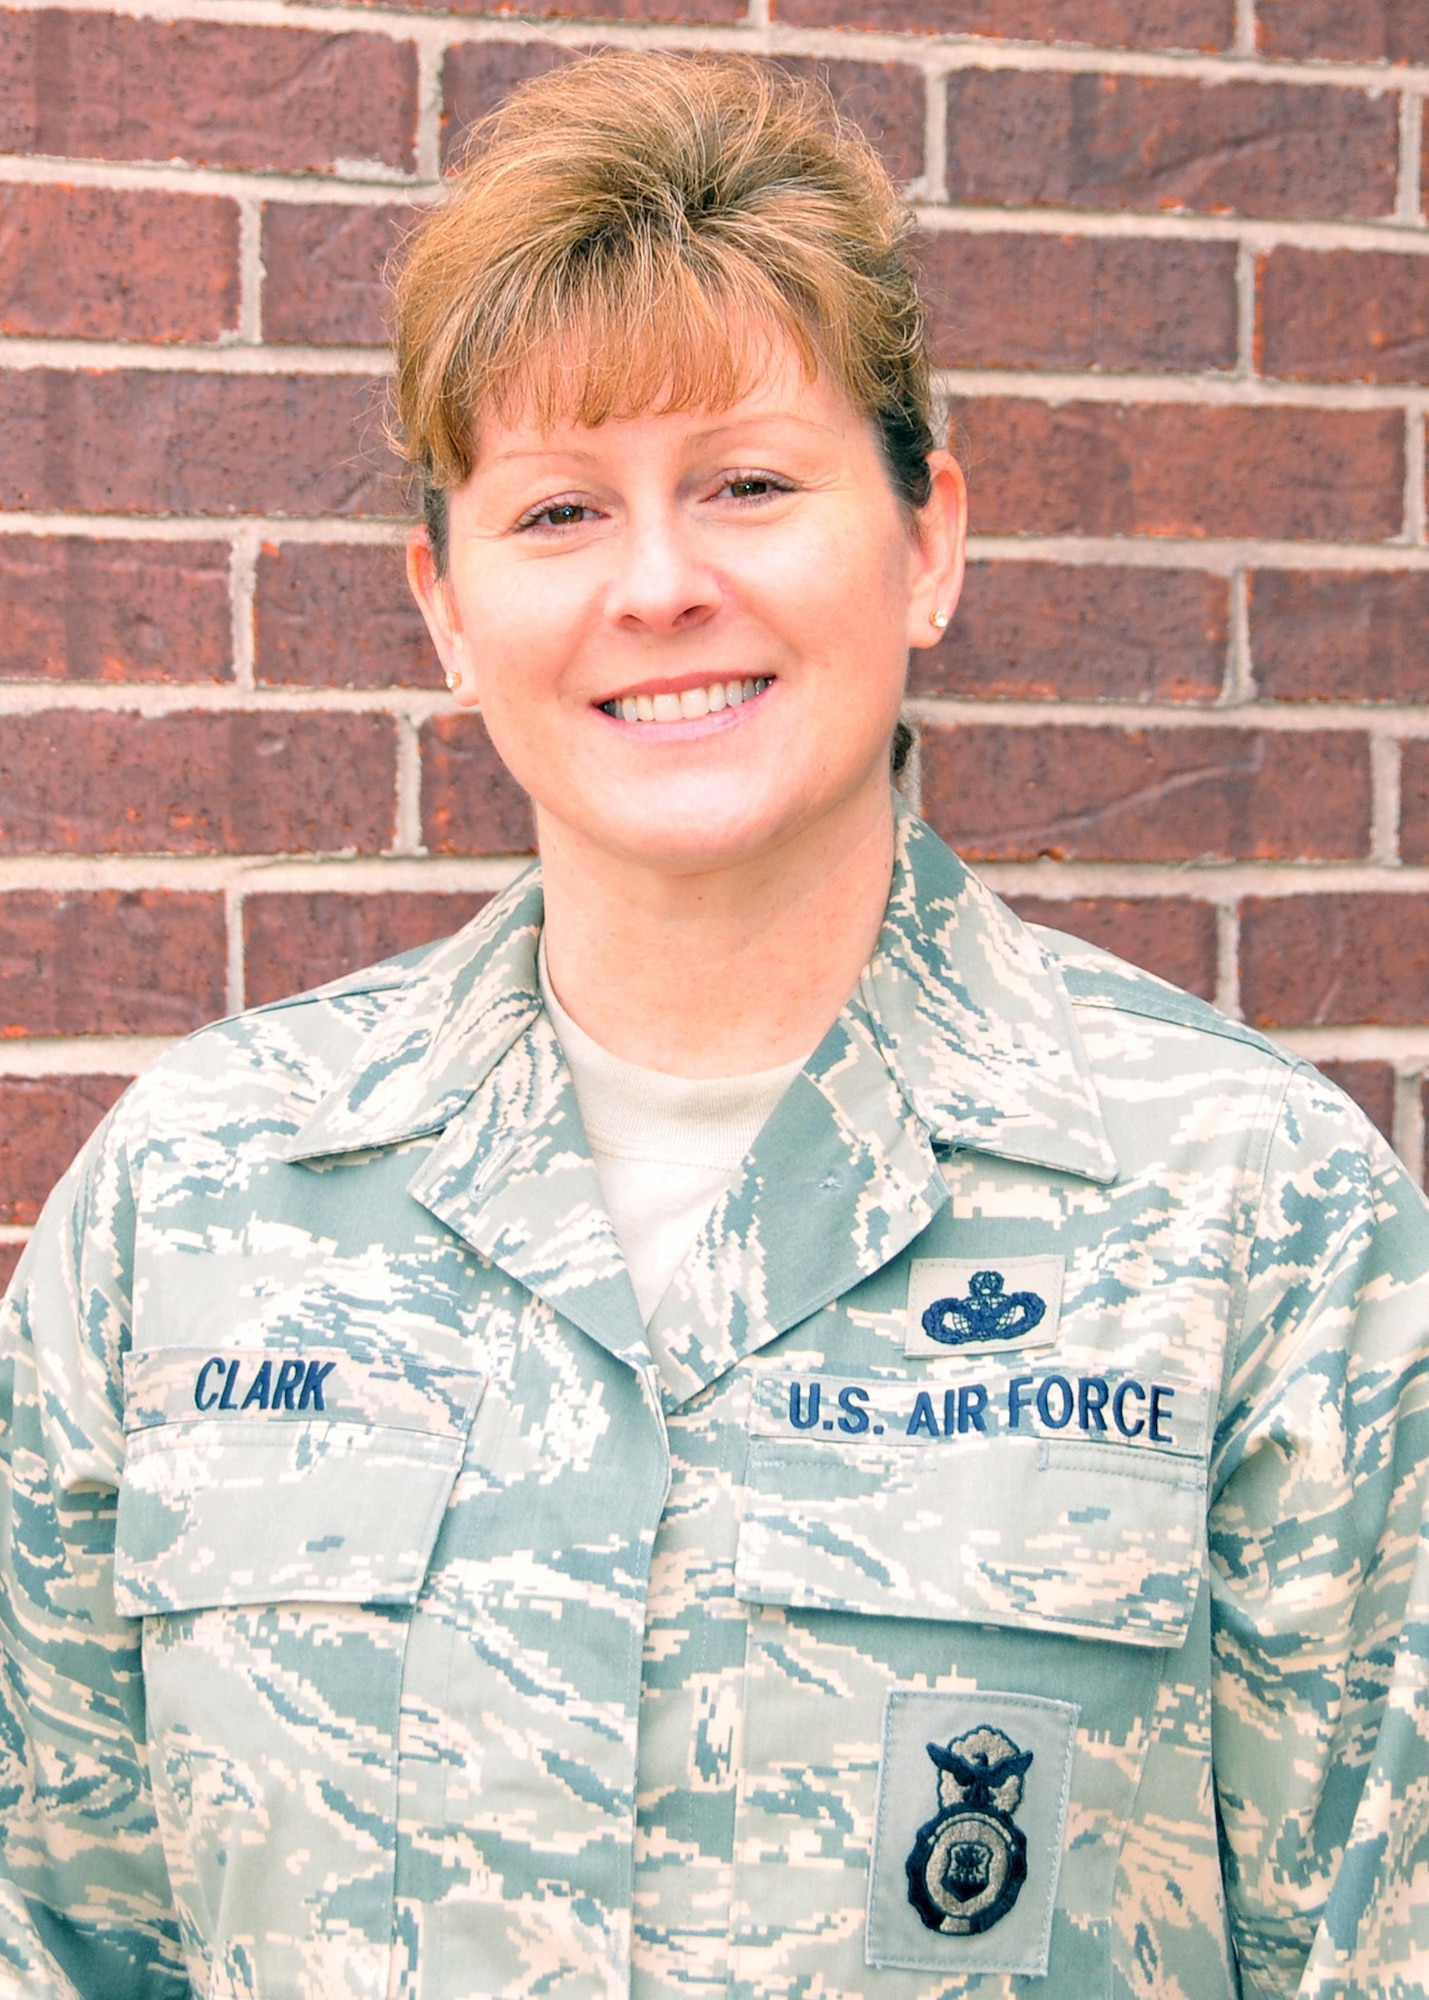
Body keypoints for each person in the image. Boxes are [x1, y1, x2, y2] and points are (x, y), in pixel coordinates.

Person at [0, 49, 1426, 2000]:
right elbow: (52, 1928)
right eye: (561, 508)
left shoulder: (1256, 1223)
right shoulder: (191, 1212)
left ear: (928, 541)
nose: (660, 584)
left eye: (749, 482)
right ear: (442, 603)